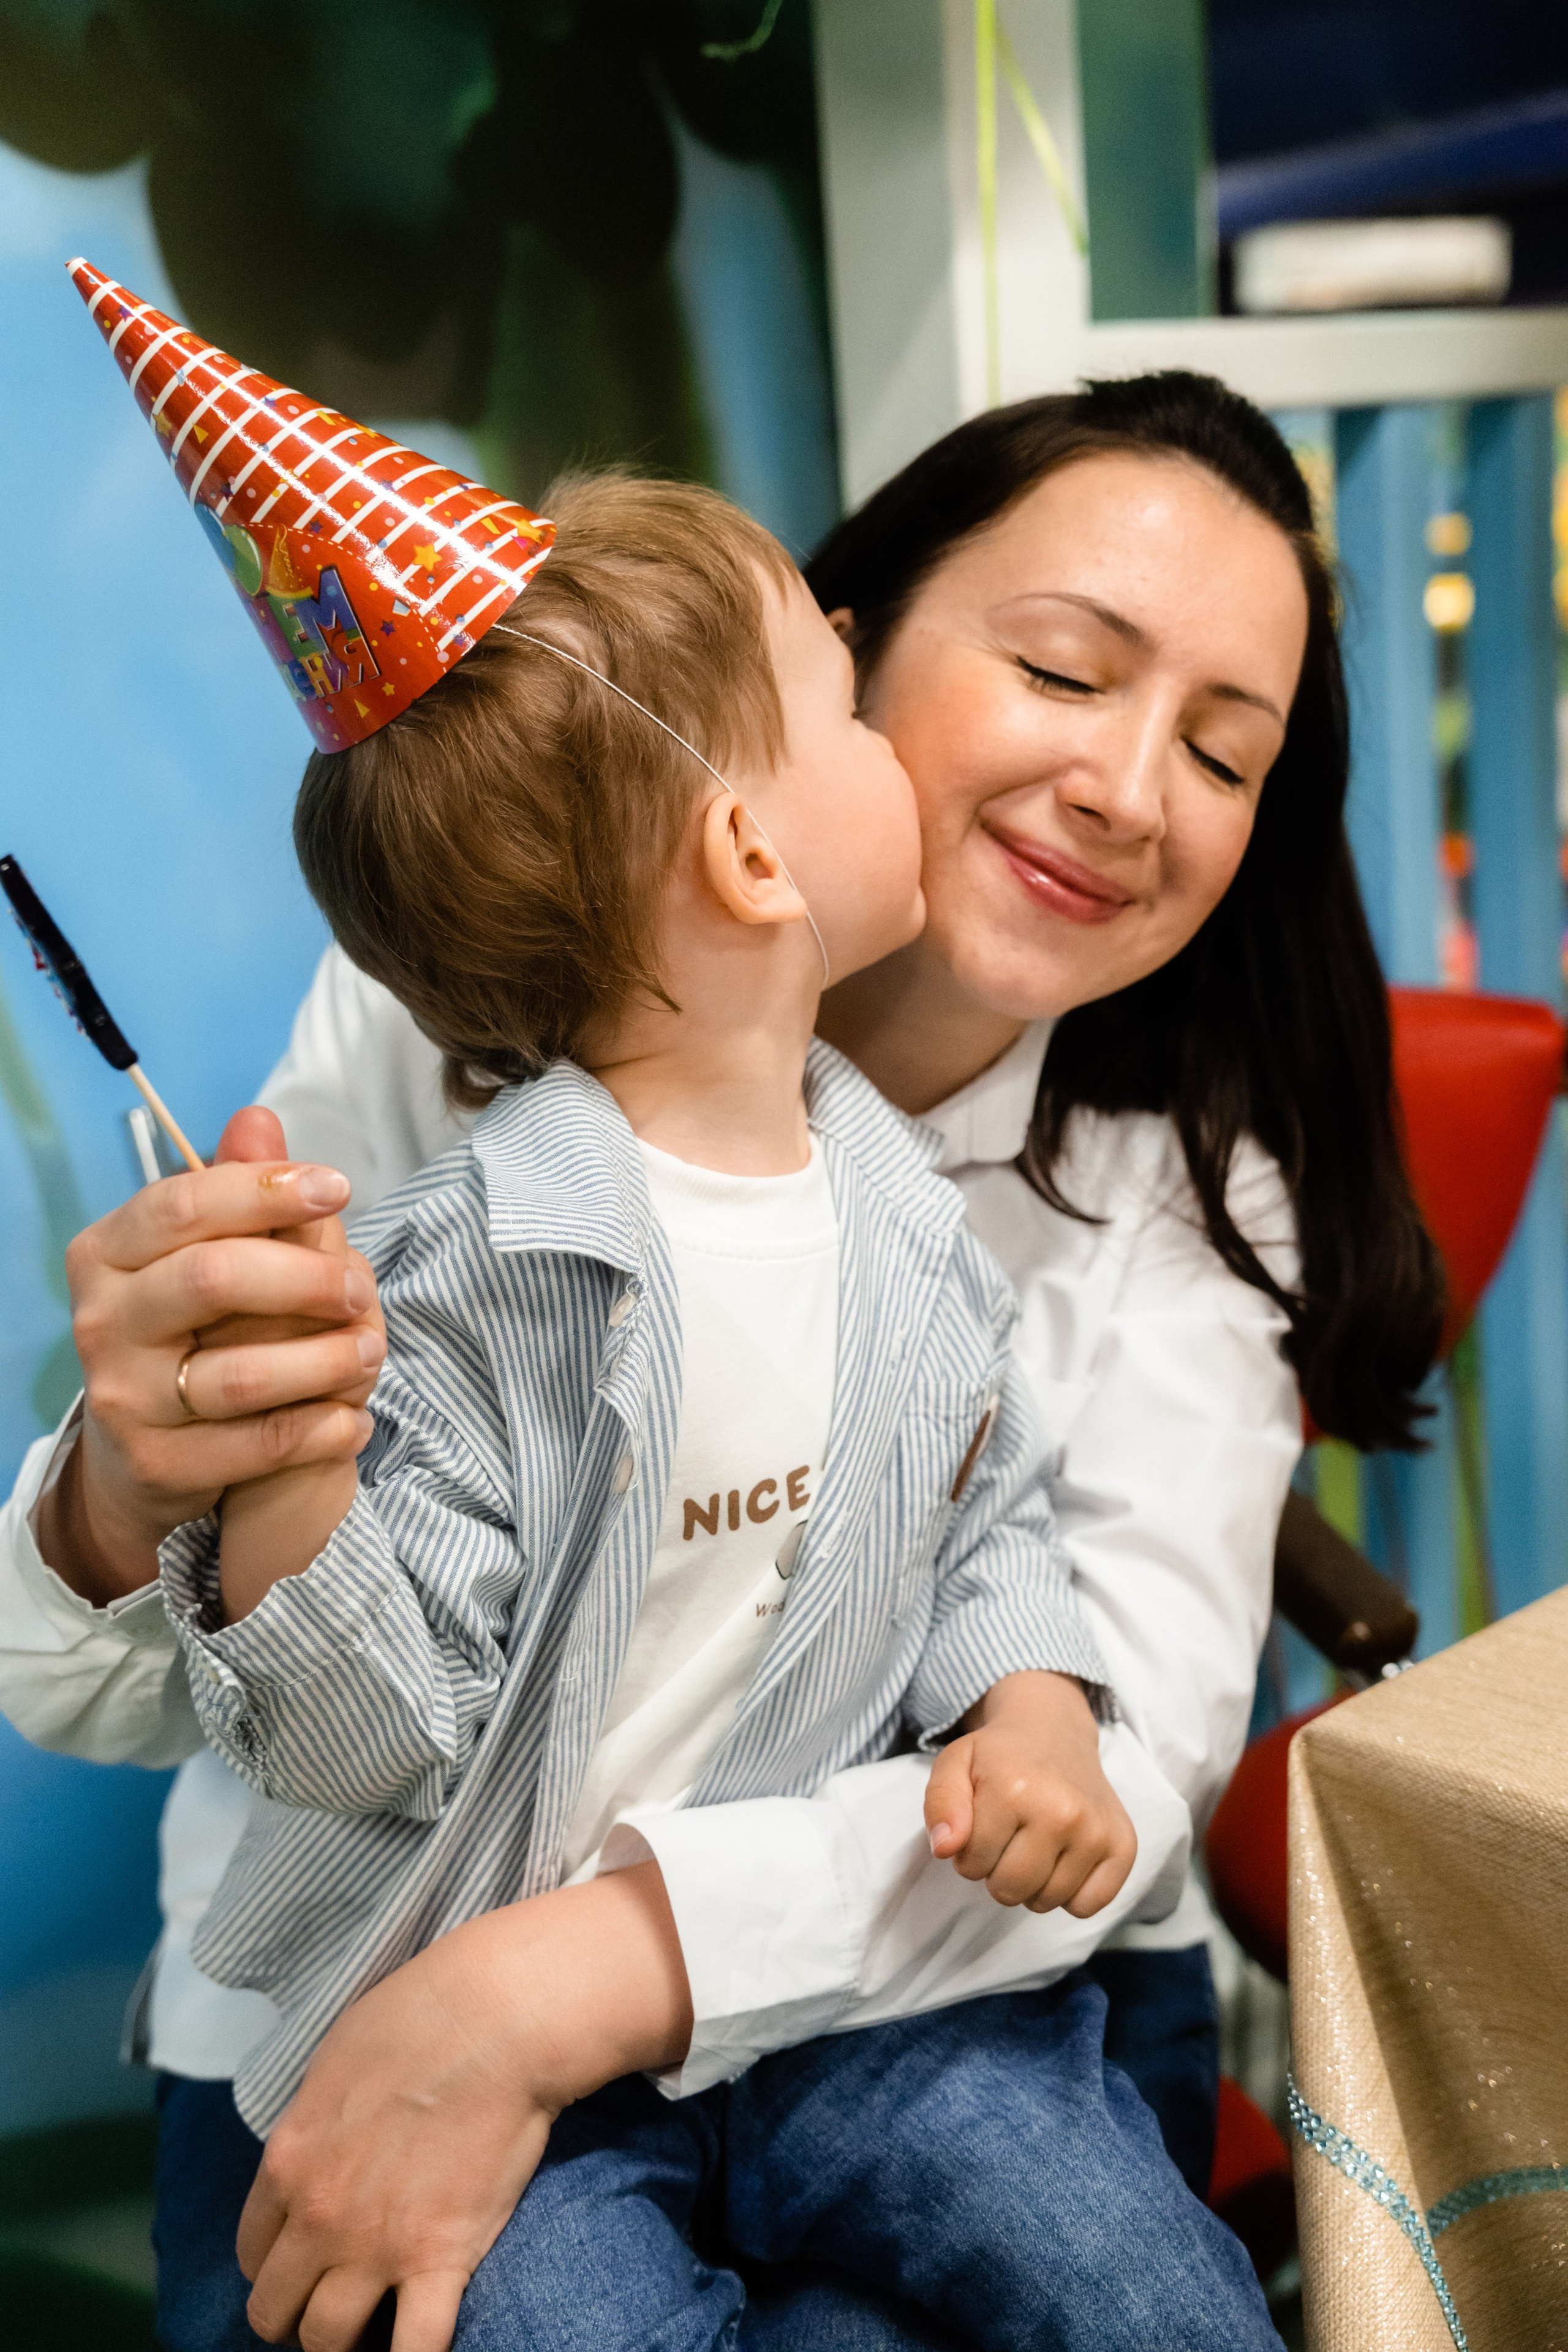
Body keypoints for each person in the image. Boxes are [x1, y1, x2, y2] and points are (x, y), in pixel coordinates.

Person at [0, 371, 1442, 2342]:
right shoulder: (448, 1087)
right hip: (381, 1983)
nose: (1128, 788)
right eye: (1059, 668)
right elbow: (291, 1700)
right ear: (855, 649)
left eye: (1221, 751)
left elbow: (1081, 1701)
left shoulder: (1105, 1208)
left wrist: (556, 1984)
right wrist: (139, 1496)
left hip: (928, 1993)